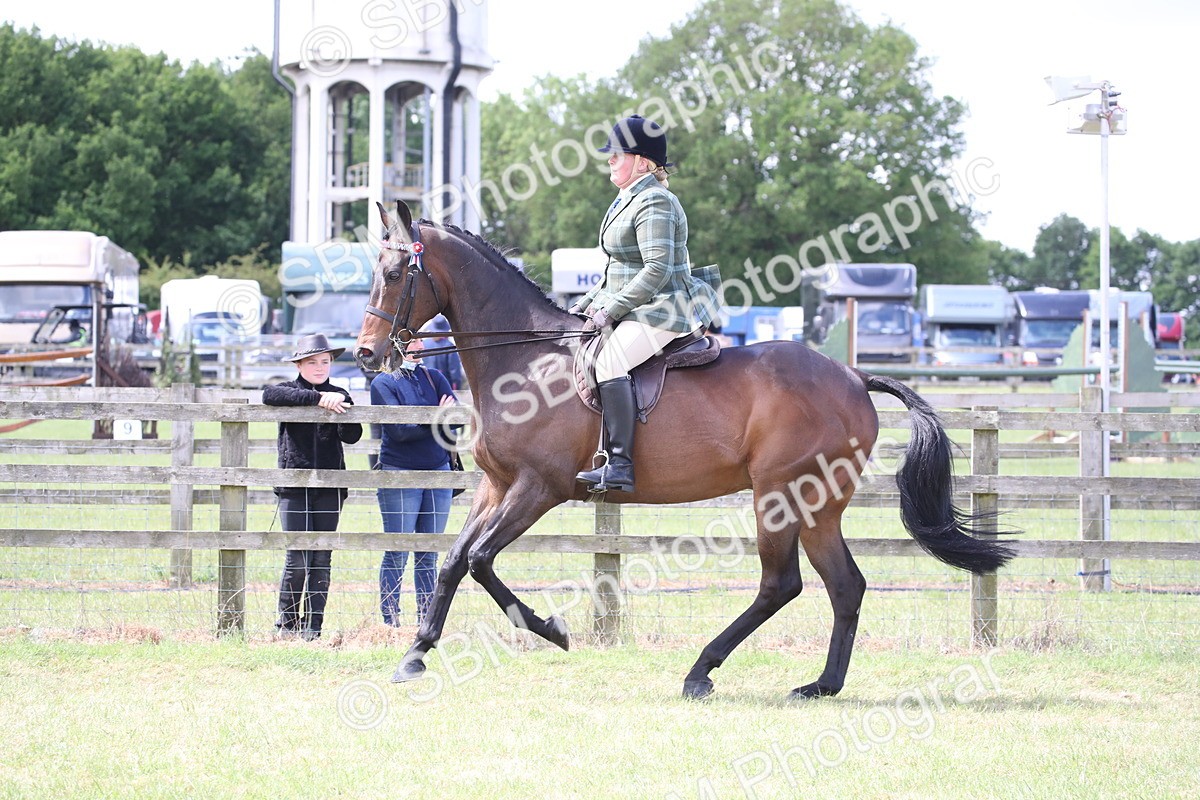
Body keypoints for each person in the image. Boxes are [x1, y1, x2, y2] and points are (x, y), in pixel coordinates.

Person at [569, 114, 721, 493]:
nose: (610, 159)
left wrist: (610, 310)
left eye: (617, 154)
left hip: (664, 307)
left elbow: (656, 269)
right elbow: (615, 271)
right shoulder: (626, 198)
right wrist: (582, 306)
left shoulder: (655, 200)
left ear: (642, 163)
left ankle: (620, 464)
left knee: (610, 362)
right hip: (638, 304)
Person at [263, 333, 363, 641]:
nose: (319, 368)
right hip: (294, 487)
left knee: (321, 558)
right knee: (297, 558)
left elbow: (352, 436)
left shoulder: (339, 393)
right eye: (312, 362)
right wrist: (317, 399)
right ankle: (287, 625)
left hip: (330, 488)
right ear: (299, 365)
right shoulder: (290, 390)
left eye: (325, 362)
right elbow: (269, 394)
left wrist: (341, 407)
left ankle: (313, 628)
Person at [371, 337, 459, 625]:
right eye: (412, 341)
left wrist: (435, 420)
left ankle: (426, 619)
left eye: (421, 340)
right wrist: (438, 418)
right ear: (394, 346)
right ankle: (390, 620)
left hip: (438, 471)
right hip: (400, 473)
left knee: (428, 552)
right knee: (398, 550)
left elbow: (457, 417)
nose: (420, 346)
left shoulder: (435, 377)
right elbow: (400, 431)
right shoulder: (383, 383)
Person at [420, 314, 465, 391]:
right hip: (444, 387)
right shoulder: (449, 346)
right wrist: (456, 387)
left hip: (425, 387)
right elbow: (454, 372)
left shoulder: (423, 344)